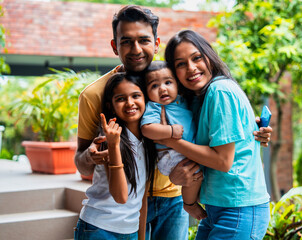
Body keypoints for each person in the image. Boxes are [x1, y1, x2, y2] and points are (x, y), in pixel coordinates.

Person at [74, 5, 272, 240]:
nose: (136, 49)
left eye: (144, 40)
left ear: (156, 43)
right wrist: (91, 156)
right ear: (114, 45)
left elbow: (215, 124)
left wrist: (252, 128)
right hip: (126, 207)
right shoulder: (95, 94)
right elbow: (81, 163)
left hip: (175, 199)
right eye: (126, 41)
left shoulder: (179, 86)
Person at [159, 29, 271, 239]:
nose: (191, 68)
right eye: (181, 64)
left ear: (208, 56)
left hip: (239, 208)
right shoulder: (197, 99)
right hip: (218, 207)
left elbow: (223, 161)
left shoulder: (219, 91)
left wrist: (171, 141)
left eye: (196, 58)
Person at [74, 73, 157, 240]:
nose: (130, 103)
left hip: (130, 231)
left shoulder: (149, 140)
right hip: (99, 229)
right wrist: (113, 146)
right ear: (110, 106)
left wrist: (141, 237)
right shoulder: (108, 139)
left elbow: (141, 198)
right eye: (120, 99)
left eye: (136, 96)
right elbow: (120, 196)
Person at [141, 60, 207, 221]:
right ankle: (189, 204)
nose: (163, 88)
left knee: (201, 173)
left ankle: (195, 199)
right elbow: (147, 128)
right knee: (196, 172)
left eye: (168, 82)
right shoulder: (154, 106)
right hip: (170, 155)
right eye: (154, 86)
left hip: (182, 151)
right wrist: (170, 131)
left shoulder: (182, 101)